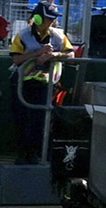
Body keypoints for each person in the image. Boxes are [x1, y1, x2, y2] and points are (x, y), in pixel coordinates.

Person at [9, 1, 74, 164]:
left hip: (46, 85)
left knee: (43, 121)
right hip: (22, 84)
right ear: (37, 18)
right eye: (48, 18)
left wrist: (52, 56)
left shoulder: (58, 35)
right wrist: (37, 53)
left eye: (53, 18)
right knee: (23, 120)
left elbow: (70, 54)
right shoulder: (23, 35)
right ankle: (23, 155)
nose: (51, 22)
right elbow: (16, 59)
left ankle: (40, 155)